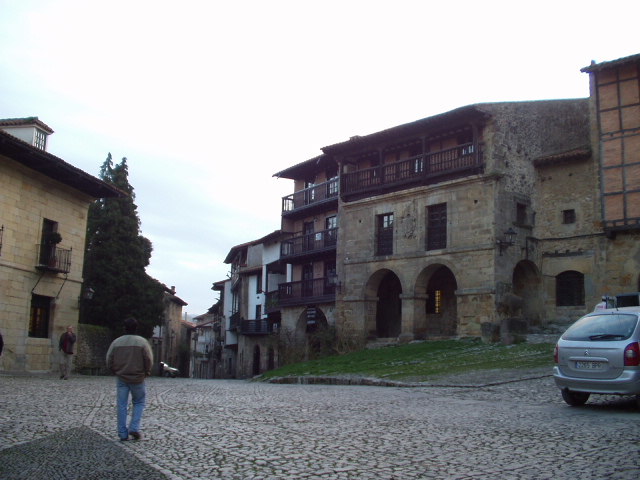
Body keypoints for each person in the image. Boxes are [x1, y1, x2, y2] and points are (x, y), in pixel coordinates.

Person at [106, 317, 153, 441]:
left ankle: (122, 433)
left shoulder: (117, 342)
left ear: (124, 328)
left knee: (122, 404)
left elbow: (109, 359)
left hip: (122, 377)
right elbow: (148, 359)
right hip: (138, 378)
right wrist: (146, 372)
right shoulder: (142, 342)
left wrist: (114, 370)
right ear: (136, 328)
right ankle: (134, 427)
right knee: (139, 402)